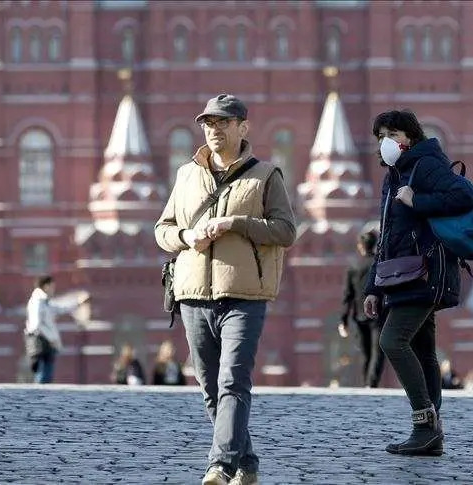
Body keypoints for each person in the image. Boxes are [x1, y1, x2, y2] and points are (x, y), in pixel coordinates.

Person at [154, 94, 296, 485]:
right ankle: (246, 464)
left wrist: (237, 222)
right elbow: (162, 230)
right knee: (209, 388)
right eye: (208, 124)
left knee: (233, 380)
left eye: (222, 122)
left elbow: (286, 231)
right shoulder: (186, 175)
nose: (214, 130)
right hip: (193, 294)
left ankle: (219, 465)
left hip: (244, 294)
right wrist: (186, 234)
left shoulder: (266, 175)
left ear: (242, 128)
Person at [363, 109, 473, 457]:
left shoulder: (426, 165)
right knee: (424, 349)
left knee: (392, 341)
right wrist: (372, 286)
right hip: (400, 274)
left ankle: (424, 424)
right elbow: (386, 236)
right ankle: (432, 433)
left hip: (425, 271)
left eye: (392, 133)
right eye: (380, 135)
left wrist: (418, 200)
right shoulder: (394, 175)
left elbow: (464, 197)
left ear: (409, 136)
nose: (386, 141)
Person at [338, 230, 386, 388]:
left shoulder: (353, 266)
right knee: (377, 352)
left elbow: (348, 296)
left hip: (359, 315)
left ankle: (367, 384)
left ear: (360, 246)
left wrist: (343, 320)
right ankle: (371, 385)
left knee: (366, 353)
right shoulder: (379, 264)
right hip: (378, 313)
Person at [25, 275, 90, 384]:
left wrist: (79, 303)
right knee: (44, 375)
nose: (53, 289)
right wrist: (51, 339)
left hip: (45, 341)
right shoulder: (37, 302)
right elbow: (36, 324)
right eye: (52, 286)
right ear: (46, 286)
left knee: (46, 374)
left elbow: (60, 309)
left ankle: (40, 397)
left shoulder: (44, 302)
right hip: (42, 341)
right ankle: (39, 398)